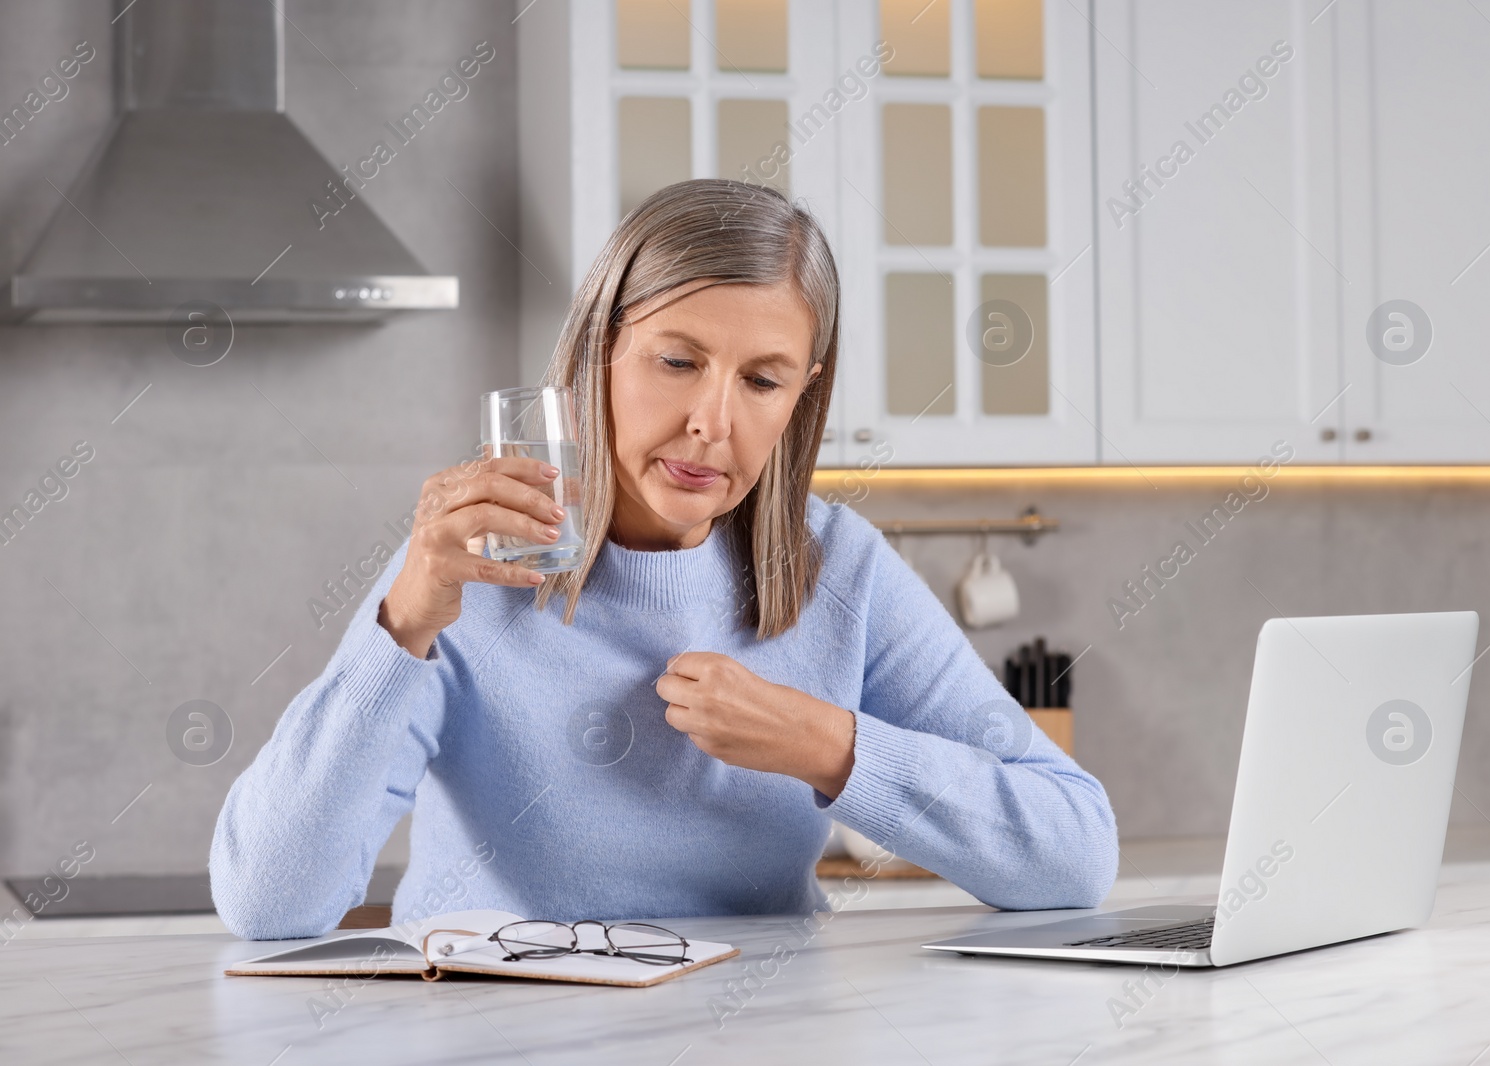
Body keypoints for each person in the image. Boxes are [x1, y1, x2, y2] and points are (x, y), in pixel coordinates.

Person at [210, 178, 1118, 940]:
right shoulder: (476, 565)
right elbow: (270, 905)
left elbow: (1075, 852)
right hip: (494, 1033)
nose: (711, 422)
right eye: (677, 361)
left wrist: (822, 745)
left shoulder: (839, 567)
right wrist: (403, 622)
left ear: (801, 399)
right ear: (598, 355)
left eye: (761, 381)